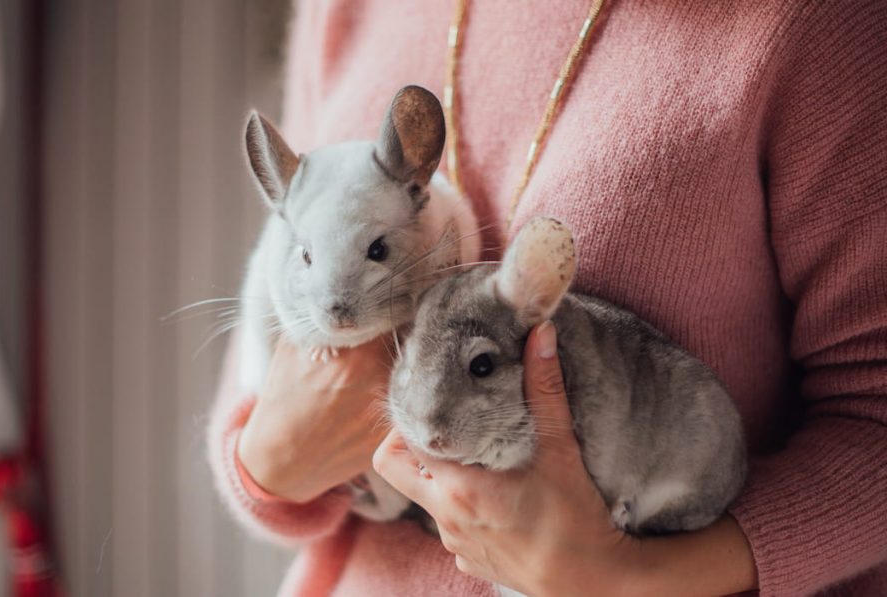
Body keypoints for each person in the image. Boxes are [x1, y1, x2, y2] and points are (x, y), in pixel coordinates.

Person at [208, 1, 887, 595]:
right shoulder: (348, 7)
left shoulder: (816, 25)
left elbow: (873, 419)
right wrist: (273, 461)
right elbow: (252, 387)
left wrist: (631, 577)